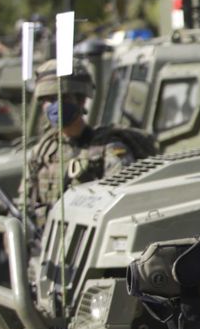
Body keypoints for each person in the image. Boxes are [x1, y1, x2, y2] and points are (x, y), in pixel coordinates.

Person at [26, 64, 155, 228]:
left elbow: (121, 208)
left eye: (64, 98)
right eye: (49, 100)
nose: (55, 106)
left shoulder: (108, 149)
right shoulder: (41, 152)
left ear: (81, 100)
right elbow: (24, 205)